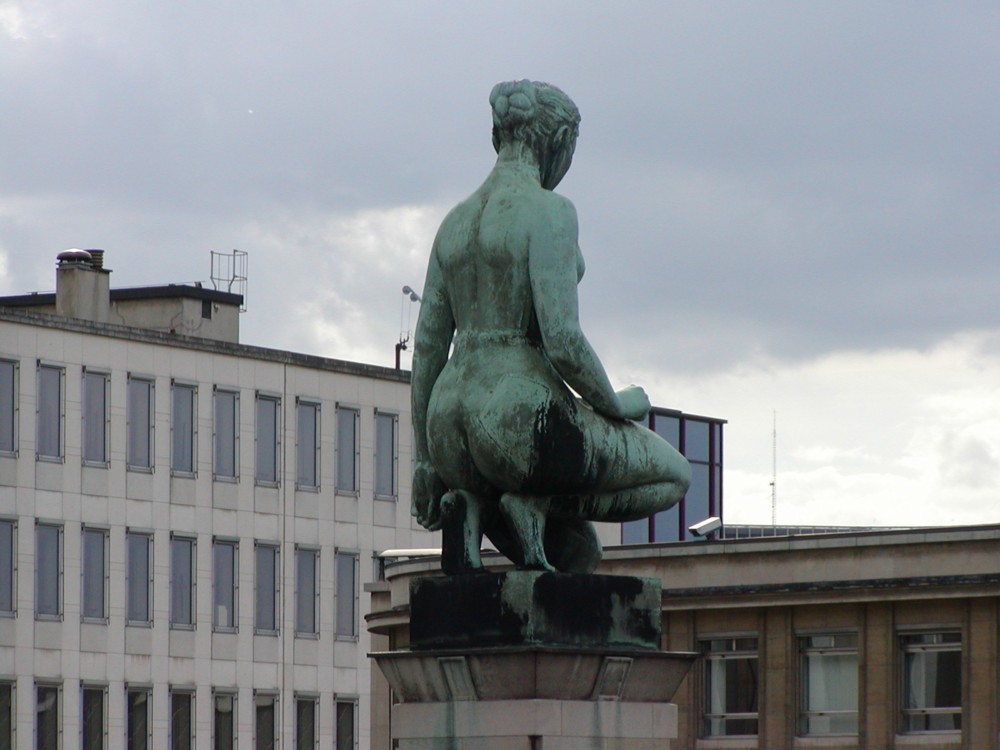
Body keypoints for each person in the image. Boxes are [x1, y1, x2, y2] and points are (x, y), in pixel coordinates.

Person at [411, 80, 690, 573]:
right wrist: (613, 402)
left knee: (577, 556)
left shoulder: (452, 223)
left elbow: (428, 350)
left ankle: (474, 508)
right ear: (558, 141)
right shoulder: (551, 212)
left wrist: (425, 461)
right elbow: (563, 342)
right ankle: (537, 504)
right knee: (675, 475)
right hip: (516, 409)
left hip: (447, 420)